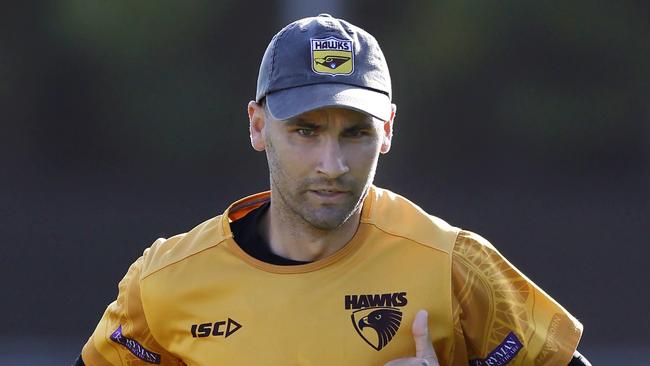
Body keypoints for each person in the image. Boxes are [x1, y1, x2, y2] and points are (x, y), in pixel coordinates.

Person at [74, 14, 590, 366]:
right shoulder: (163, 283)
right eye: (306, 131)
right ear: (257, 126)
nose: (333, 164)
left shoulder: (455, 265)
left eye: (355, 132)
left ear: (386, 130)